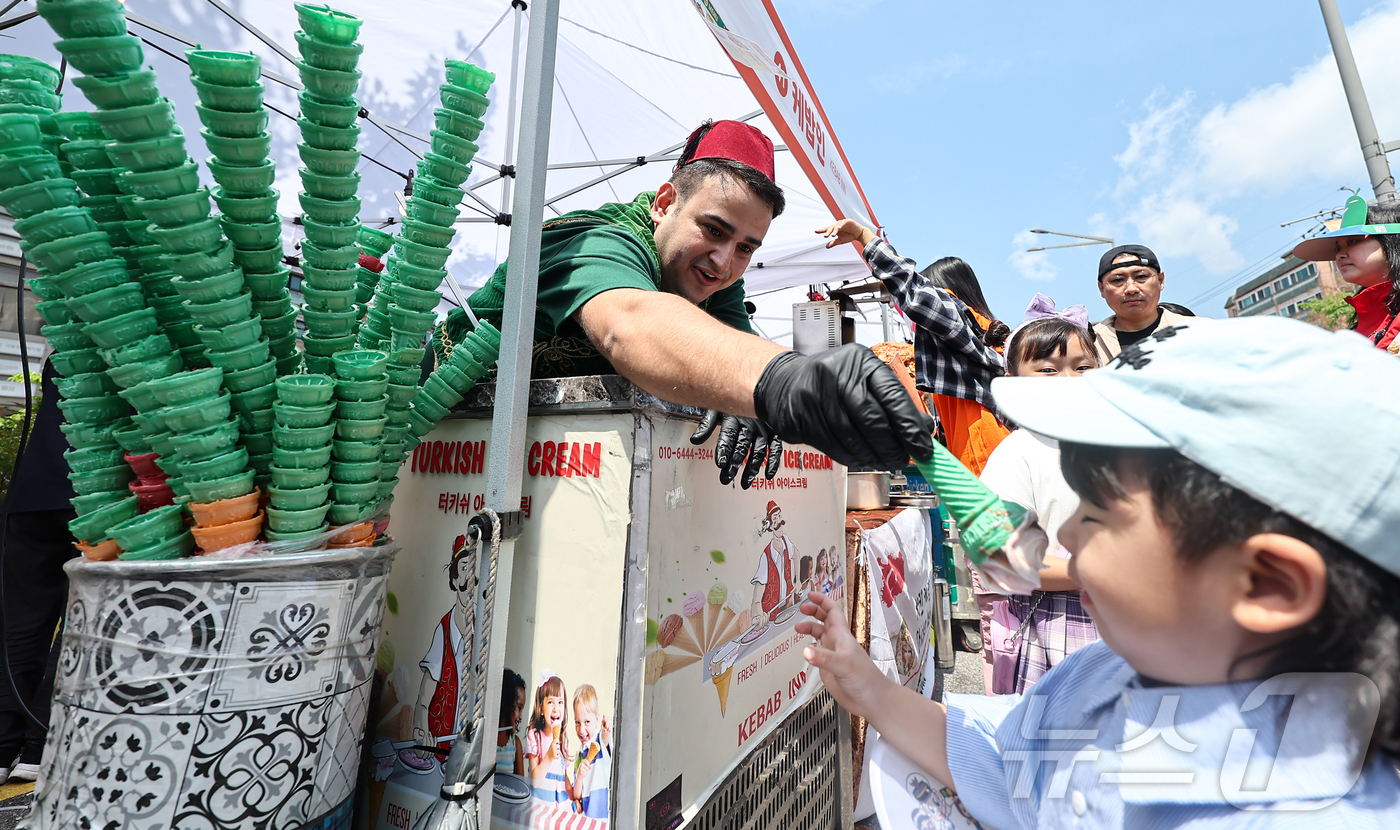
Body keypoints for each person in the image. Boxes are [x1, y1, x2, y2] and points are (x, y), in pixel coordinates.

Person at [798, 317, 1400, 826]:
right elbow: (1006, 762)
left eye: (1100, 512)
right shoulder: (1099, 676)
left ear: (1266, 585)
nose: (1063, 533)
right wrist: (869, 689)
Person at [433, 120, 935, 489]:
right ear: (664, 202)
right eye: (713, 230)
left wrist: (736, 392)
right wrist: (780, 382)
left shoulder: (714, 280)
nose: (723, 261)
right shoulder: (593, 239)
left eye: (746, 247)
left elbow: (735, 348)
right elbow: (629, 324)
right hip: (429, 459)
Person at [976, 297, 1101, 695]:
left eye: (1083, 368)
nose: (1068, 381)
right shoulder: (1019, 452)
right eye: (1048, 370)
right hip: (1059, 625)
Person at [817, 222, 1009, 475]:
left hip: (983, 454)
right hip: (989, 451)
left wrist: (866, 238)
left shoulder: (959, 320)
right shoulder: (986, 333)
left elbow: (916, 295)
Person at [0, 359, 75, 785]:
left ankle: (3, 744)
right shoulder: (142, 349)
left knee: (19, 628)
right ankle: (38, 744)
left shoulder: (59, 355)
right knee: (78, 627)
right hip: (95, 497)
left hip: (31, 498)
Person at [1292, 192, 1400, 350]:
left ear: (1392, 242)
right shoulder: (1359, 327)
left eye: (1353, 241)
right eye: (1338, 248)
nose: (1339, 255)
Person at [1091, 244, 1192, 361]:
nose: (1131, 289)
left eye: (1141, 277)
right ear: (1101, 288)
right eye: (1118, 280)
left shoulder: (1198, 331)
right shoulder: (1087, 343)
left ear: (1160, 280)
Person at [526, 672, 573, 809]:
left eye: (560, 702)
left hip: (561, 807)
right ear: (541, 708)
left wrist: (574, 798)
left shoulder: (564, 738)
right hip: (541, 806)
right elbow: (535, 780)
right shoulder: (534, 736)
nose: (556, 708)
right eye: (550, 702)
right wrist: (549, 757)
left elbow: (564, 777)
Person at [569, 684, 611, 818]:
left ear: (596, 719)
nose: (581, 730)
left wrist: (607, 730)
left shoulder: (599, 740)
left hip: (606, 819)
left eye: (587, 722)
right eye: (577, 722)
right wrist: (580, 777)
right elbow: (577, 795)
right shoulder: (579, 756)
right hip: (589, 821)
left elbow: (606, 740)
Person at [495, 668, 527, 776]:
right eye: (518, 707)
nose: (520, 717)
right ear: (506, 703)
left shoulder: (514, 744)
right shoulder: (485, 737)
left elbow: (520, 785)